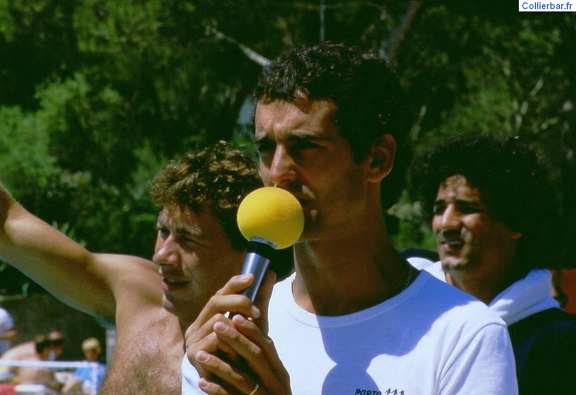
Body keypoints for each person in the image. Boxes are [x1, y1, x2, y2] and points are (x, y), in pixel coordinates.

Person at [182, 42, 517, 394]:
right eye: (266, 149)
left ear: (377, 159)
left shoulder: (465, 336)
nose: (278, 171)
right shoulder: (221, 337)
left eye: (306, 146)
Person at [0, 141, 270, 394]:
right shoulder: (137, 292)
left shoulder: (269, 349)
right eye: (163, 231)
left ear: (245, 253)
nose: (162, 255)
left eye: (189, 240)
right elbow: (9, 226)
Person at [409, 135, 576, 394]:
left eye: (466, 208)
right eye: (438, 208)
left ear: (516, 221)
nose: (446, 223)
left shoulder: (559, 344)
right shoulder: (405, 308)